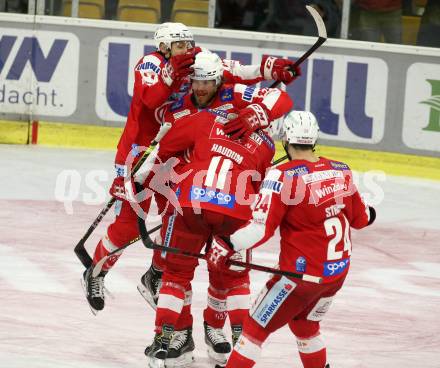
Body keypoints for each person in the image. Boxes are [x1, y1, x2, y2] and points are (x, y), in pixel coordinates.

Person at [81, 21, 300, 314]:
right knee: (129, 225)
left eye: (188, 42)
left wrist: (270, 69)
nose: (187, 48)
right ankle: (96, 271)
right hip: (141, 154)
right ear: (163, 47)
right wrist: (172, 73)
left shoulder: (198, 61)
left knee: (177, 218)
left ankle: (155, 275)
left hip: (180, 153)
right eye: (179, 44)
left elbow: (235, 72)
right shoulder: (150, 64)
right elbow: (150, 99)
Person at [140, 51, 293, 368]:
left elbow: (161, 153)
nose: (200, 87)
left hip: (190, 199)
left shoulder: (224, 100)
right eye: (197, 81)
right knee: (228, 275)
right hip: (220, 205)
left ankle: (198, 330)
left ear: (219, 80)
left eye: (208, 82)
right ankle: (184, 337)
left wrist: (140, 178)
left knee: (183, 273)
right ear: (191, 78)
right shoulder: (262, 143)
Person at [207, 110, 376, 368]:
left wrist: (226, 243)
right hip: (335, 276)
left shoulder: (282, 175)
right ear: (314, 140)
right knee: (305, 324)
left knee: (253, 328)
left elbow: (259, 231)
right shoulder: (341, 171)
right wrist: (372, 211)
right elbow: (362, 219)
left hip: (298, 279)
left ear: (285, 140)